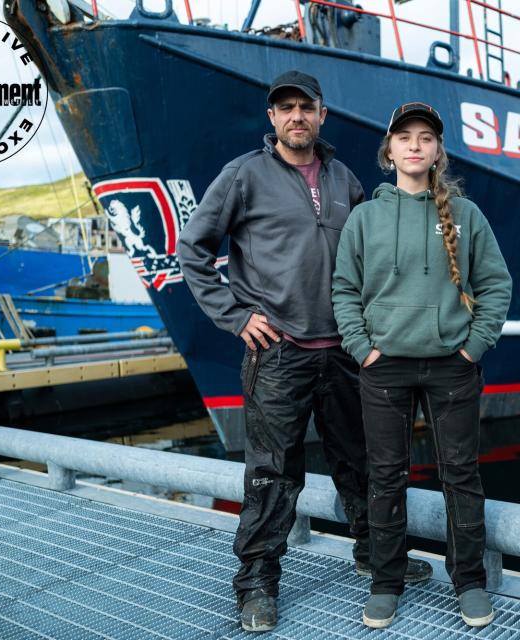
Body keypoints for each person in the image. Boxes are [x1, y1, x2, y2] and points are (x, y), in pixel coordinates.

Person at [177, 72, 432, 633]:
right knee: (272, 473)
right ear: (272, 118)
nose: (296, 116)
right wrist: (237, 316)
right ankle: (256, 585)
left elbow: (374, 258)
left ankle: (374, 554)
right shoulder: (243, 176)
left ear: (322, 114)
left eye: (306, 107)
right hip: (279, 354)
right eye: (285, 108)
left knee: (362, 460)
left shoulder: (345, 179)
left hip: (344, 351)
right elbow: (191, 250)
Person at [332, 102, 512, 629]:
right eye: (404, 137)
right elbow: (344, 289)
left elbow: (497, 285)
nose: (415, 145)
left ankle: (469, 582)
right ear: (389, 151)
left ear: (437, 151)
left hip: (451, 367)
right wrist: (362, 348)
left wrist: (473, 346)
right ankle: (385, 582)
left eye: (425, 138)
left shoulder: (467, 215)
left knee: (460, 475)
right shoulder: (364, 218)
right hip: (383, 368)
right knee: (385, 477)